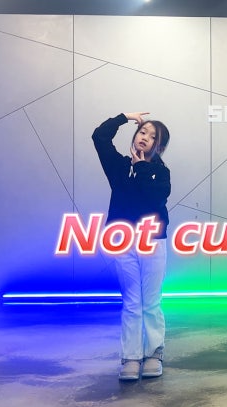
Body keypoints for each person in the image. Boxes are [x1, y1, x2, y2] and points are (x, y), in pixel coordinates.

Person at [91, 112, 171, 381]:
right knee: (132, 302)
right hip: (122, 241)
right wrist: (125, 117)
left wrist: (142, 168)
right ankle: (131, 357)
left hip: (152, 241)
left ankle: (154, 353)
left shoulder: (161, 172)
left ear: (159, 146)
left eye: (152, 137)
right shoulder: (119, 166)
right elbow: (99, 137)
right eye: (142, 132)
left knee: (151, 302)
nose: (144, 138)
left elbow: (155, 199)